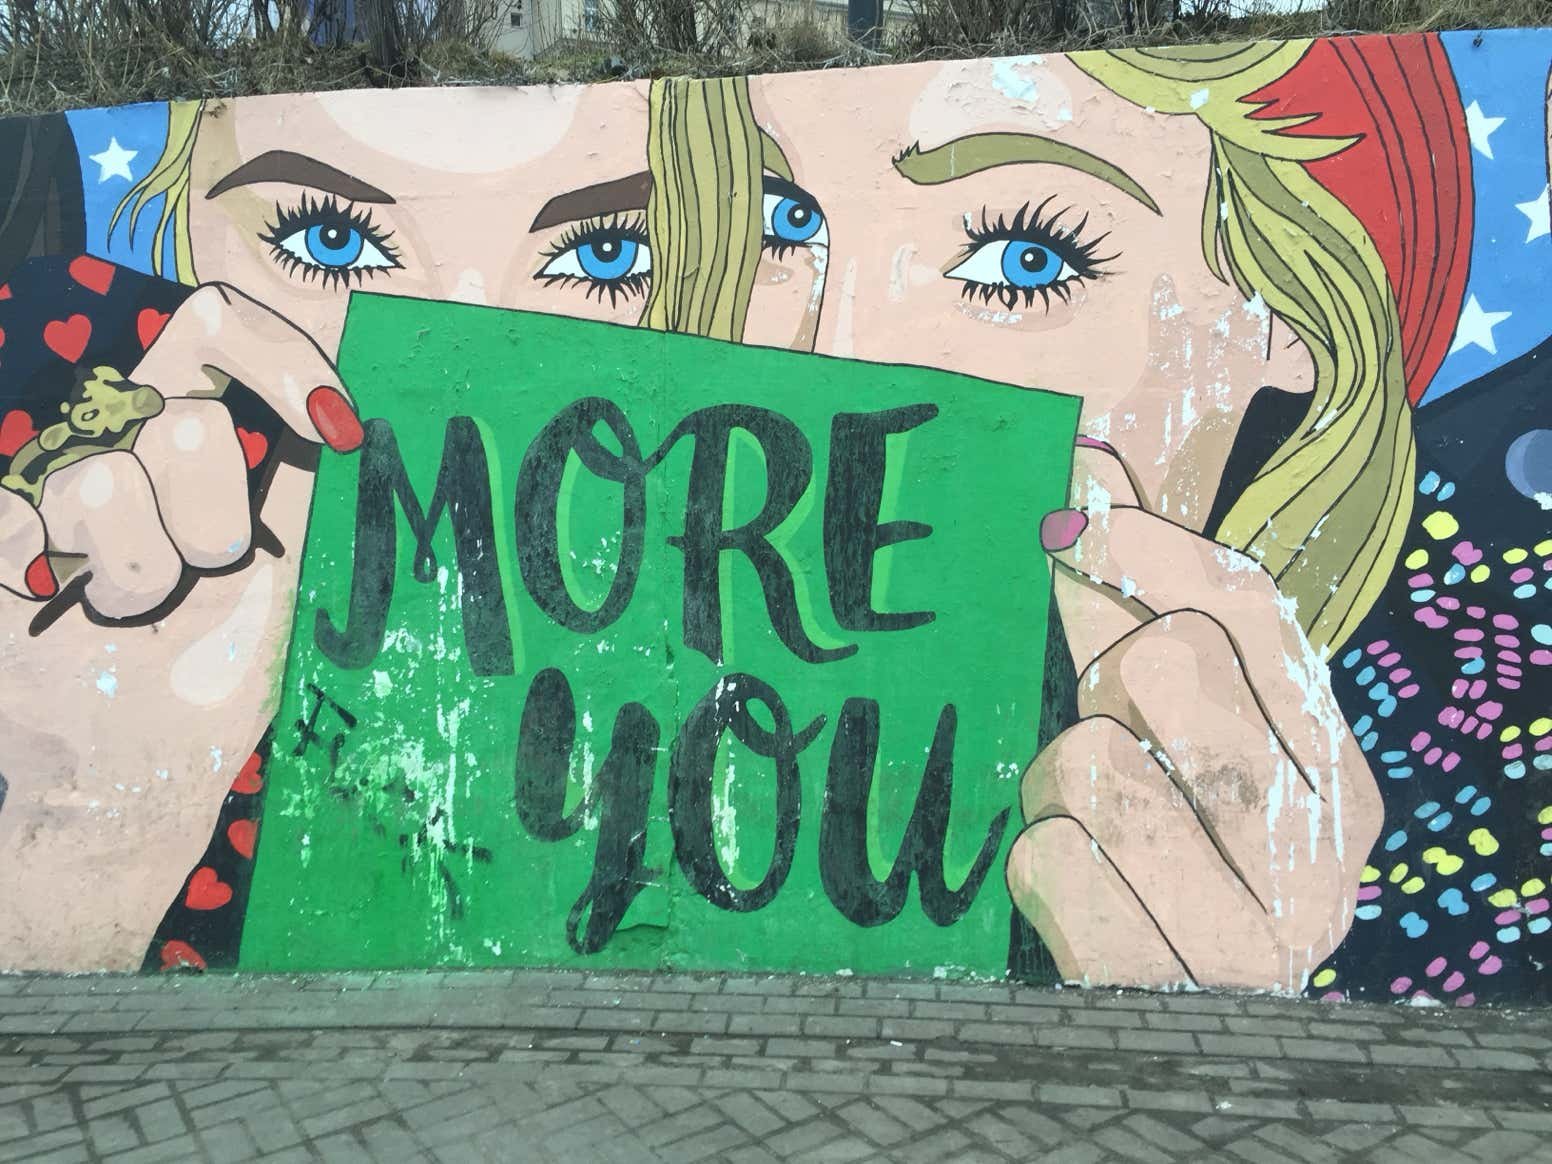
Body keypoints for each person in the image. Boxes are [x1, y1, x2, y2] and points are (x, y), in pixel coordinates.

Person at [0, 76, 832, 970]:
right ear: (176, 242)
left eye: (607, 256)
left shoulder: (731, 633)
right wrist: (97, 775)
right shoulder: (52, 380)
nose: (460, 343)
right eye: (329, 239)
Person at [744, 35, 1475, 989]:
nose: (834, 362)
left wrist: (1228, 1005)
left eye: (1025, 259)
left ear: (1292, 326)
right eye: (786, 225)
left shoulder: (1453, 727)